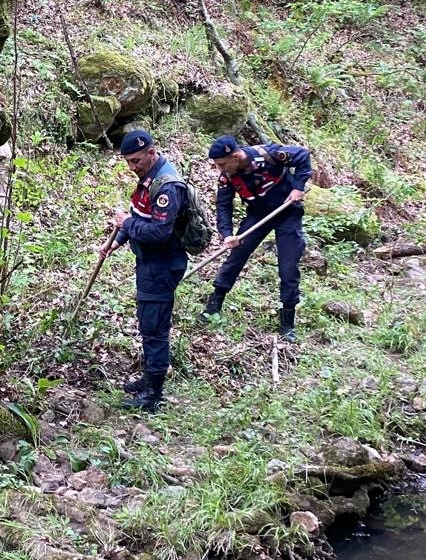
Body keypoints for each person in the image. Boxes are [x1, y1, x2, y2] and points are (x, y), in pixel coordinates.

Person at [104, 128, 192, 413]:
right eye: (128, 161)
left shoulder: (167, 186)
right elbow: (139, 215)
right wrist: (117, 242)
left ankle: (154, 395)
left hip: (163, 264)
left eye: (137, 160)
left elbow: (158, 232)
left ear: (152, 153)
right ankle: (149, 378)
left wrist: (126, 224)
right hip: (149, 263)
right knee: (147, 322)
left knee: (154, 328)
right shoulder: (147, 180)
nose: (132, 167)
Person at [200, 135, 312, 342]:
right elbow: (223, 206)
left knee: (288, 267)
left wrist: (298, 186)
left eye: (222, 164)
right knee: (236, 256)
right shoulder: (227, 176)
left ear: (235, 156)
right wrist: (227, 235)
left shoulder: (269, 154)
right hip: (258, 215)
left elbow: (303, 155)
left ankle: (287, 321)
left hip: (287, 212)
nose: (220, 169)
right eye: (217, 165)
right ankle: (214, 304)